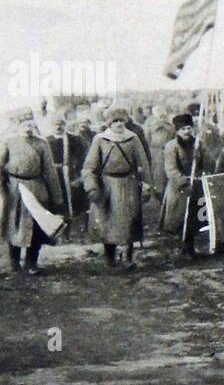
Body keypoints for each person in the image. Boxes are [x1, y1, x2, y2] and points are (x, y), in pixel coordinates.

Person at [0, 107, 63, 275]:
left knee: (37, 227)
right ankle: (14, 262)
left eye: (30, 124)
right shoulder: (8, 142)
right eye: (24, 125)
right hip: (14, 189)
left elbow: (50, 171)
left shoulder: (42, 143)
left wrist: (57, 197)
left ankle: (31, 263)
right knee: (14, 225)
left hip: (37, 188)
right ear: (17, 125)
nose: (28, 128)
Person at [83, 107, 151, 269]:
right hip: (107, 185)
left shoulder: (133, 138)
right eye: (115, 121)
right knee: (107, 221)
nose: (119, 124)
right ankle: (110, 256)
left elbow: (143, 164)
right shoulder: (100, 139)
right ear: (109, 123)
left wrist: (147, 184)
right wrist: (92, 187)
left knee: (130, 219)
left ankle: (127, 257)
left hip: (129, 184)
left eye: (121, 120)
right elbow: (89, 166)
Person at [160, 113, 211, 255]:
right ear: (177, 131)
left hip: (196, 185)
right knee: (179, 218)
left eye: (189, 128)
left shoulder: (198, 144)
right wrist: (184, 183)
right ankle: (182, 246)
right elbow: (171, 170)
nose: (187, 131)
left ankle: (190, 246)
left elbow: (209, 163)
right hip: (179, 188)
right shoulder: (171, 146)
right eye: (183, 129)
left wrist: (200, 157)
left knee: (195, 218)